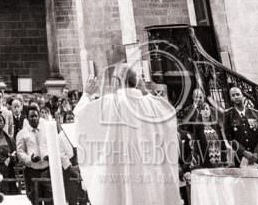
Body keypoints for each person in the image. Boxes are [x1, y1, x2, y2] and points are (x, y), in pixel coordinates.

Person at [73, 65, 179, 205]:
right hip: (151, 183)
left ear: (117, 82)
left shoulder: (110, 103)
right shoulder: (153, 104)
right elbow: (169, 113)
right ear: (136, 82)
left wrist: (87, 94)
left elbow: (81, 116)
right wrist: (146, 92)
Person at [222, 85, 258, 167]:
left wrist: (257, 152)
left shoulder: (255, 113)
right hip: (241, 158)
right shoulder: (228, 115)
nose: (236, 97)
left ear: (242, 95)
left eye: (238, 94)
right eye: (233, 95)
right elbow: (229, 137)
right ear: (231, 98)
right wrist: (243, 152)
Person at [16, 102, 51, 204]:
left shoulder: (47, 130)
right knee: (35, 200)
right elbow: (20, 152)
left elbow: (53, 146)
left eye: (36, 116)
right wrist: (29, 159)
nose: (34, 118)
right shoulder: (22, 133)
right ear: (27, 118)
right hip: (32, 171)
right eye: (31, 116)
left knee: (50, 199)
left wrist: (50, 156)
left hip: (47, 170)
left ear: (39, 116)